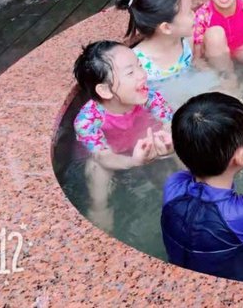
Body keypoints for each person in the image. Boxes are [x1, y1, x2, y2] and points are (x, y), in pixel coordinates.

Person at [161, 92, 243, 281]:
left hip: (182, 271)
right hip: (234, 279)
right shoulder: (240, 213)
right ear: (238, 157)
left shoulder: (173, 186)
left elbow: (195, 160)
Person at [73, 41, 175, 231]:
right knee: (96, 167)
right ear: (105, 90)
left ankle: (199, 181)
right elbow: (103, 156)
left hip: (145, 145)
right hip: (115, 155)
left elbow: (170, 123)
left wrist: (168, 142)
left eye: (140, 66)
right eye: (130, 73)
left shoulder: (150, 99)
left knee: (183, 140)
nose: (142, 74)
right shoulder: (88, 120)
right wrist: (133, 161)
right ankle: (99, 208)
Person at [116, 0, 218, 106]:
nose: (194, 15)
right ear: (166, 28)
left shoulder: (187, 41)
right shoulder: (136, 63)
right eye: (188, 12)